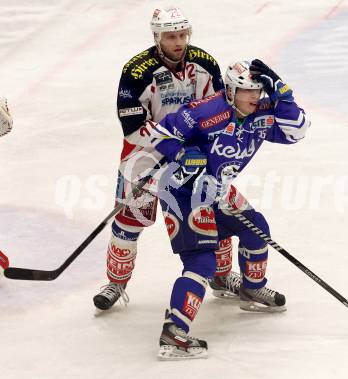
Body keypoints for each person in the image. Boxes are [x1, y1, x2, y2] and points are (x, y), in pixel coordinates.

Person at [118, 59, 310, 359]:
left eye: (259, 91)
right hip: (181, 192)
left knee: (256, 229)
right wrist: (181, 152)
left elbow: (297, 132)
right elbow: (160, 133)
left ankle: (251, 287)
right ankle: (174, 334)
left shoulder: (259, 112)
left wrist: (285, 96)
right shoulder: (207, 111)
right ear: (231, 90)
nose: (254, 97)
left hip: (216, 191)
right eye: (247, 91)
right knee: (201, 262)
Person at [93, 7, 242, 309]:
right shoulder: (136, 71)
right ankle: (115, 283)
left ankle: (221, 276)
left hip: (195, 157)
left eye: (182, 35)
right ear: (157, 37)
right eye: (171, 36)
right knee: (128, 222)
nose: (178, 42)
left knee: (211, 215)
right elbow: (134, 126)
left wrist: (201, 148)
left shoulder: (204, 63)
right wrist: (173, 147)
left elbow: (220, 112)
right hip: (144, 157)